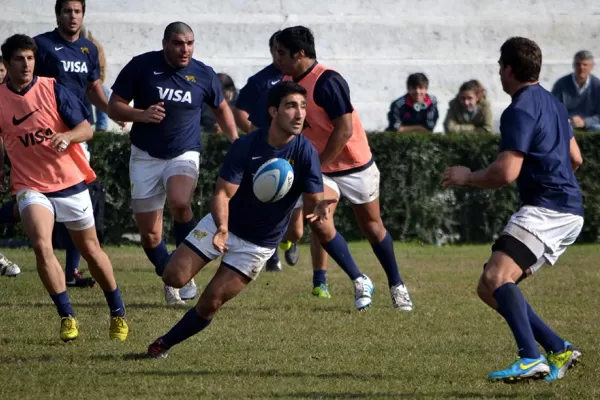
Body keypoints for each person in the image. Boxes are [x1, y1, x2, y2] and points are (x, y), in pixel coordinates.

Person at [146, 81, 373, 358]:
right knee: (174, 276)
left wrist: (320, 205)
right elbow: (222, 194)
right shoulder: (247, 145)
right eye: (291, 106)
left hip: (259, 244)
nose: (300, 114)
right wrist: (222, 229)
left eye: (303, 107)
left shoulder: (305, 152)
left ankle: (163, 344)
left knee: (210, 303)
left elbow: (313, 199)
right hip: (224, 225)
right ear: (273, 111)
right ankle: (175, 253)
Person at [442, 37, 583, 383]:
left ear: (508, 69)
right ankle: (557, 347)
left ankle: (530, 357)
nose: (499, 75)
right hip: (570, 212)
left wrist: (467, 177)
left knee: (495, 279)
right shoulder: (553, 103)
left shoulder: (518, 109)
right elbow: (576, 159)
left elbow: (505, 173)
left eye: (499, 67)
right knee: (490, 287)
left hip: (545, 210)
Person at [0, 34, 128, 341]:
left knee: (91, 251)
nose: (26, 64)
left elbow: (86, 129)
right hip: (30, 185)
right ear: (6, 63)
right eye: (19, 58)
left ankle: (118, 312)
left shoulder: (52, 88)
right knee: (41, 244)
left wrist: (68, 137)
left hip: (69, 181)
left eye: (30, 58)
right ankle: (67, 316)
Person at [276, 26, 413, 310]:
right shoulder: (288, 80)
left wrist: (319, 163)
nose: (277, 59)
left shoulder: (328, 81)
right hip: (323, 167)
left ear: (299, 54)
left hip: (355, 165)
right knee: (319, 221)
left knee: (373, 228)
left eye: (281, 53)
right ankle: (359, 279)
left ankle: (397, 285)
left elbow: (345, 129)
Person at [108, 21, 239, 306]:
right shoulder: (141, 66)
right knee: (150, 234)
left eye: (190, 43)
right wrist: (141, 115)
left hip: (184, 152)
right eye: (179, 43)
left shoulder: (203, 73)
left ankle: (185, 267)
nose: (185, 49)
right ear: (165, 43)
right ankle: (171, 278)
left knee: (181, 202)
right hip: (144, 156)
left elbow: (221, 108)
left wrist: (235, 141)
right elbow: (114, 104)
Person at [235, 30, 301, 271]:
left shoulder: (299, 79)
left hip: (295, 152)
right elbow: (241, 111)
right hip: (269, 154)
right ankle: (270, 255)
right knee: (267, 200)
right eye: (277, 50)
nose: (280, 55)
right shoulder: (260, 81)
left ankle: (291, 239)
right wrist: (258, 136)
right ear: (272, 50)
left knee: (297, 224)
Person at [551, 50, 600, 132]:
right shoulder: (561, 84)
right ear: (573, 66)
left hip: (591, 125)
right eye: (578, 64)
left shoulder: (598, 86)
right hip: (567, 123)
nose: (581, 67)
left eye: (585, 65)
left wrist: (584, 122)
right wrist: (570, 120)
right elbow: (553, 109)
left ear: (592, 66)